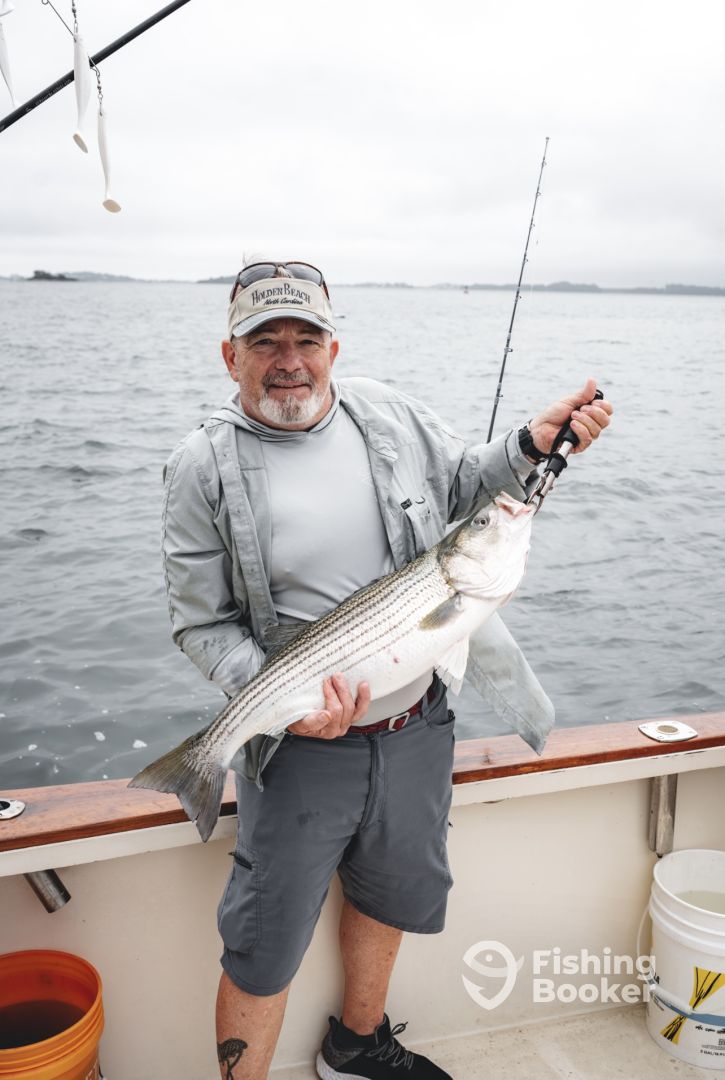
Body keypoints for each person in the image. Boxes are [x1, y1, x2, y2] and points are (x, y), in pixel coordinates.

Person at [161, 259, 613, 1079]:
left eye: (307, 339)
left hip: (416, 730)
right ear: (230, 357)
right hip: (298, 750)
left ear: (333, 348)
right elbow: (200, 622)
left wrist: (527, 444)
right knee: (263, 943)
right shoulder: (201, 464)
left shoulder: (387, 413)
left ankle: (356, 1046)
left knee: (389, 894)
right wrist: (282, 704)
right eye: (265, 342)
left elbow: (467, 484)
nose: (289, 361)